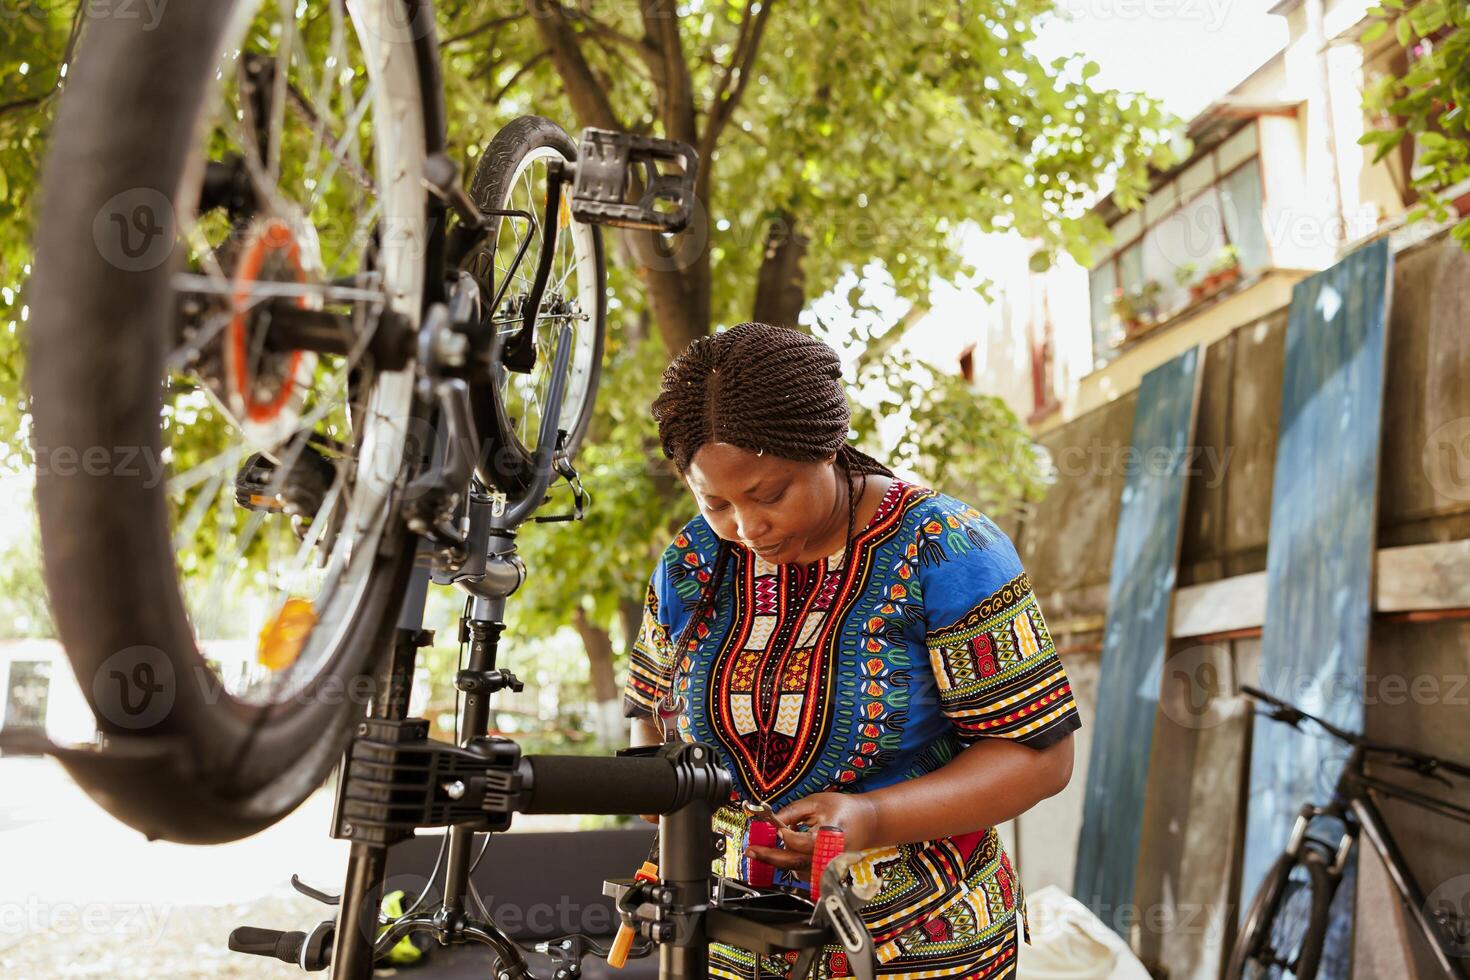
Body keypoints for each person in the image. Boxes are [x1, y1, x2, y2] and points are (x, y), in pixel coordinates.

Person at [624, 322, 1082, 980]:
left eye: (769, 494)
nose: (748, 528)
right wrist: (664, 788)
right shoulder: (692, 562)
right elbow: (650, 712)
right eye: (716, 501)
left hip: (918, 942)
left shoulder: (946, 546)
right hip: (732, 939)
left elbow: (1040, 757)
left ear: (826, 446)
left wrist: (870, 816)